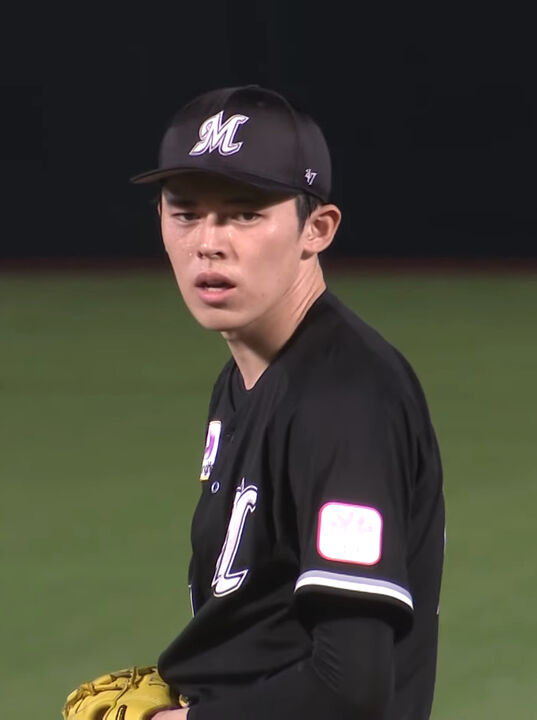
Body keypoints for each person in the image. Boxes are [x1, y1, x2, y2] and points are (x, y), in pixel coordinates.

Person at [131, 85, 446, 720]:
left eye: (245, 214)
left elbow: (352, 685)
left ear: (316, 229)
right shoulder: (246, 378)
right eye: (185, 213)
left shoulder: (345, 402)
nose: (209, 242)